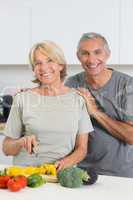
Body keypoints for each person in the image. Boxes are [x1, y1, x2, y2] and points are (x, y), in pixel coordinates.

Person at [2, 41, 93, 171]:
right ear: (33, 68)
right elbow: (6, 148)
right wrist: (21, 142)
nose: (44, 68)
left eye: (50, 60)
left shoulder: (78, 99)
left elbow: (82, 148)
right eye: (38, 63)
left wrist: (66, 162)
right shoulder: (22, 98)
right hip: (26, 176)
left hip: (62, 175)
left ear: (60, 65)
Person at [65, 32, 133, 177]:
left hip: (121, 175)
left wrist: (94, 111)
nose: (91, 59)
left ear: (108, 54)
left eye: (97, 52)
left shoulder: (127, 85)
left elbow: (131, 136)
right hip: (82, 172)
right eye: (85, 53)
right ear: (78, 56)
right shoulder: (72, 83)